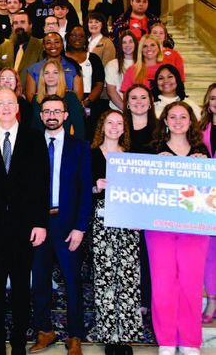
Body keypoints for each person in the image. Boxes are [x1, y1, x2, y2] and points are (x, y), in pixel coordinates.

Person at [0, 87, 49, 355]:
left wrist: (40, 223)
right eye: (0, 103)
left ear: (17, 107)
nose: (4, 107)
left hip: (24, 228)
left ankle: (17, 344)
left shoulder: (34, 139)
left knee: (21, 291)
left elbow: (41, 185)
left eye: (10, 103)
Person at [30, 94, 91, 355]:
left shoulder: (80, 147)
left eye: (57, 111)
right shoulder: (31, 146)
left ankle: (75, 335)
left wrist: (80, 227)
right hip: (38, 224)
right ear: (41, 116)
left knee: (72, 281)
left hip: (68, 226)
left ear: (66, 115)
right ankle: (45, 330)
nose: (52, 115)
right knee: (40, 280)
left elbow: (85, 191)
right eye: (47, 111)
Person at [148, 101, 208, 355]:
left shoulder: (200, 149)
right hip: (159, 226)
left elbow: (208, 192)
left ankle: (189, 340)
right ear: (165, 121)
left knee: (191, 283)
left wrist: (203, 164)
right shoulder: (154, 149)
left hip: (194, 225)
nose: (178, 121)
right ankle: (167, 340)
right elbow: (142, 189)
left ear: (190, 121)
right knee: (162, 284)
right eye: (173, 116)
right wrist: (154, 166)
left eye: (183, 117)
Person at [90, 110, 142, 355]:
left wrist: (139, 218)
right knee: (106, 278)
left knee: (129, 277)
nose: (114, 126)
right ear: (102, 125)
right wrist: (94, 186)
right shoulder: (90, 155)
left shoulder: (131, 157)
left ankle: (127, 336)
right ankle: (111, 336)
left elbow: (140, 193)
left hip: (128, 221)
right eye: (109, 122)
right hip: (102, 222)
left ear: (124, 128)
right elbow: (80, 188)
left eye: (119, 123)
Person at [122, 84, 156, 313]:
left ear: (151, 101)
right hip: (125, 198)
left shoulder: (160, 129)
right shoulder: (119, 127)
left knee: (149, 252)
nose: (138, 101)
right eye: (133, 97)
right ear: (126, 102)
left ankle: (148, 299)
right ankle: (130, 298)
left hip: (153, 200)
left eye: (143, 97)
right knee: (128, 251)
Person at [65, 25, 106, 135]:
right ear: (68, 38)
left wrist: (87, 102)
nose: (77, 38)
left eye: (81, 36)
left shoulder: (94, 58)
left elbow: (99, 84)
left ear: (86, 39)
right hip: (65, 104)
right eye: (73, 35)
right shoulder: (61, 58)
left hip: (89, 103)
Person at [31, 59, 85, 139]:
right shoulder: (36, 99)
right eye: (46, 73)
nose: (50, 76)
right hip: (41, 145)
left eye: (55, 73)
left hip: (65, 145)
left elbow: (79, 128)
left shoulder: (70, 97)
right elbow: (34, 128)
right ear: (42, 76)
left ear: (61, 75)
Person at [0, 11, 44, 97]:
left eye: (22, 22)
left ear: (30, 25)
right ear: (12, 26)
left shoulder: (39, 45)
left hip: (31, 97)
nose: (19, 26)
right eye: (16, 23)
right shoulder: (3, 47)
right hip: (6, 96)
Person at [199, 83, 216, 324]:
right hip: (207, 196)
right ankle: (212, 298)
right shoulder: (201, 129)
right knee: (209, 251)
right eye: (213, 98)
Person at [26, 32, 83, 102]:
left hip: (68, 110)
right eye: (48, 43)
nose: (53, 46)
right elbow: (30, 96)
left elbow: (78, 96)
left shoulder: (73, 66)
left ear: (62, 45)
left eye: (57, 42)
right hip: (43, 110)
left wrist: (62, 109)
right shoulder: (33, 69)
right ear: (43, 46)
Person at [0, 68, 32, 133]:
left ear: (17, 82)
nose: (7, 81)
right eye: (3, 78)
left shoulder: (27, 106)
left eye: (10, 78)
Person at [105, 30, 137, 110]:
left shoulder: (142, 64)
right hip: (118, 110)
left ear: (135, 44)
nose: (127, 45)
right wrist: (126, 110)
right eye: (124, 42)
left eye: (130, 41)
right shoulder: (112, 65)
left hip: (140, 110)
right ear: (120, 45)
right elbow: (111, 91)